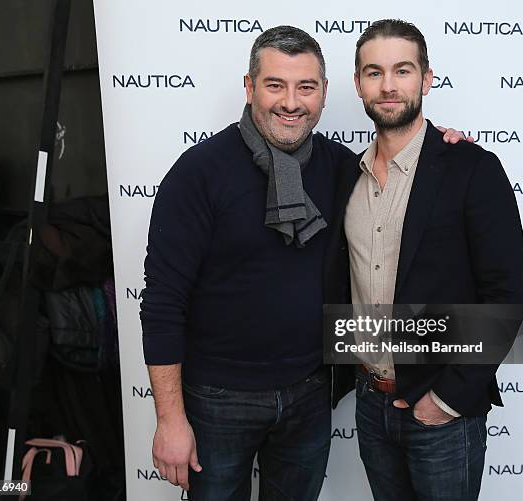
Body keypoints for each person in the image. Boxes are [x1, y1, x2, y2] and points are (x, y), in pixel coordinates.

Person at [141, 25, 467, 500]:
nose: (291, 102)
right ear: (250, 87)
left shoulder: (339, 166)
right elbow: (162, 303)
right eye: (275, 85)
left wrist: (444, 147)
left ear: (325, 93)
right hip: (217, 401)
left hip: (310, 394)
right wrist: (169, 419)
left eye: (306, 87)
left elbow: (400, 166)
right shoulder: (199, 173)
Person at [324, 19, 523, 501]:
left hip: (441, 411)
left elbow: (507, 296)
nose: (389, 85)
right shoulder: (344, 179)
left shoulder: (472, 168)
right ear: (358, 85)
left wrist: (447, 399)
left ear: (427, 78)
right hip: (370, 405)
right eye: (374, 73)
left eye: (403, 70)